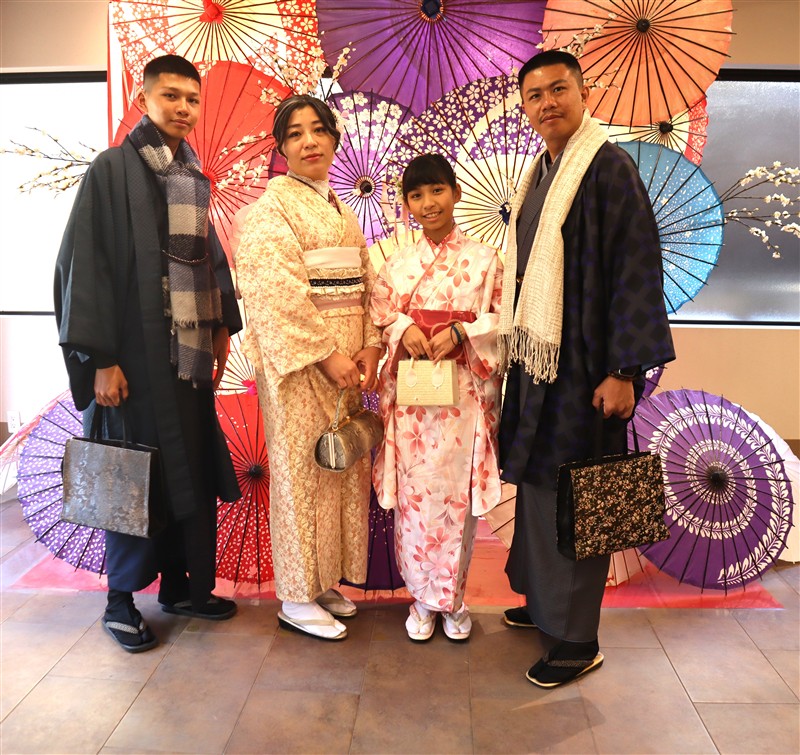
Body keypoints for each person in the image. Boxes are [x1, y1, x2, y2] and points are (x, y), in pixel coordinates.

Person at [497, 50, 675, 686]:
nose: (547, 103)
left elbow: (636, 269)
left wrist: (624, 369)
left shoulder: (608, 167)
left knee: (577, 492)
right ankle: (544, 602)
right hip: (539, 357)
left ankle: (576, 638)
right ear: (525, 107)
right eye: (535, 95)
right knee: (538, 483)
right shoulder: (542, 171)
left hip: (586, 364)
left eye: (558, 89)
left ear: (582, 92)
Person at [54, 55, 243, 653]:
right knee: (132, 474)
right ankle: (120, 601)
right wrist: (99, 358)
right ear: (144, 99)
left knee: (187, 469)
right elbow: (85, 264)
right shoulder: (111, 170)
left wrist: (220, 324)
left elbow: (210, 258)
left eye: (193, 98)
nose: (184, 108)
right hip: (132, 356)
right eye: (172, 96)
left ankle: (183, 586)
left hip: (185, 357)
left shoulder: (190, 175)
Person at [235, 95, 382, 641]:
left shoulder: (341, 209)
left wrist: (369, 344)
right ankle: (295, 596)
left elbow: (365, 281)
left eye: (318, 130)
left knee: (338, 465)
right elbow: (274, 292)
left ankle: (321, 580)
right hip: (302, 366)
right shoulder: (270, 211)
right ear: (282, 148)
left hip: (347, 360)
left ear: (335, 139)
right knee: (300, 469)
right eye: (295, 134)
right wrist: (325, 353)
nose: (309, 142)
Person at [370, 154, 504, 642]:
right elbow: (379, 314)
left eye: (437, 191)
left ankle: (453, 599)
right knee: (415, 497)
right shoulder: (397, 263)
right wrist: (403, 328)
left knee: (455, 499)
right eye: (417, 195)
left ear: (456, 193)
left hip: (462, 399)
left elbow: (502, 319)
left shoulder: (486, 260)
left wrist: (463, 332)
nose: (428, 203)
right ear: (407, 204)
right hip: (412, 399)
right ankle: (422, 600)